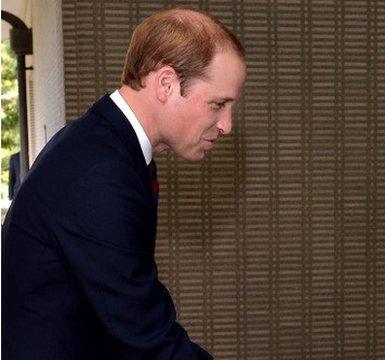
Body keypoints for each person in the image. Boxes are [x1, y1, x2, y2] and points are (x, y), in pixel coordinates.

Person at [2, 9, 246, 359]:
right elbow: (148, 337)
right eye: (218, 105)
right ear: (166, 84)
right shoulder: (99, 172)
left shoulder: (110, 146)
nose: (226, 124)